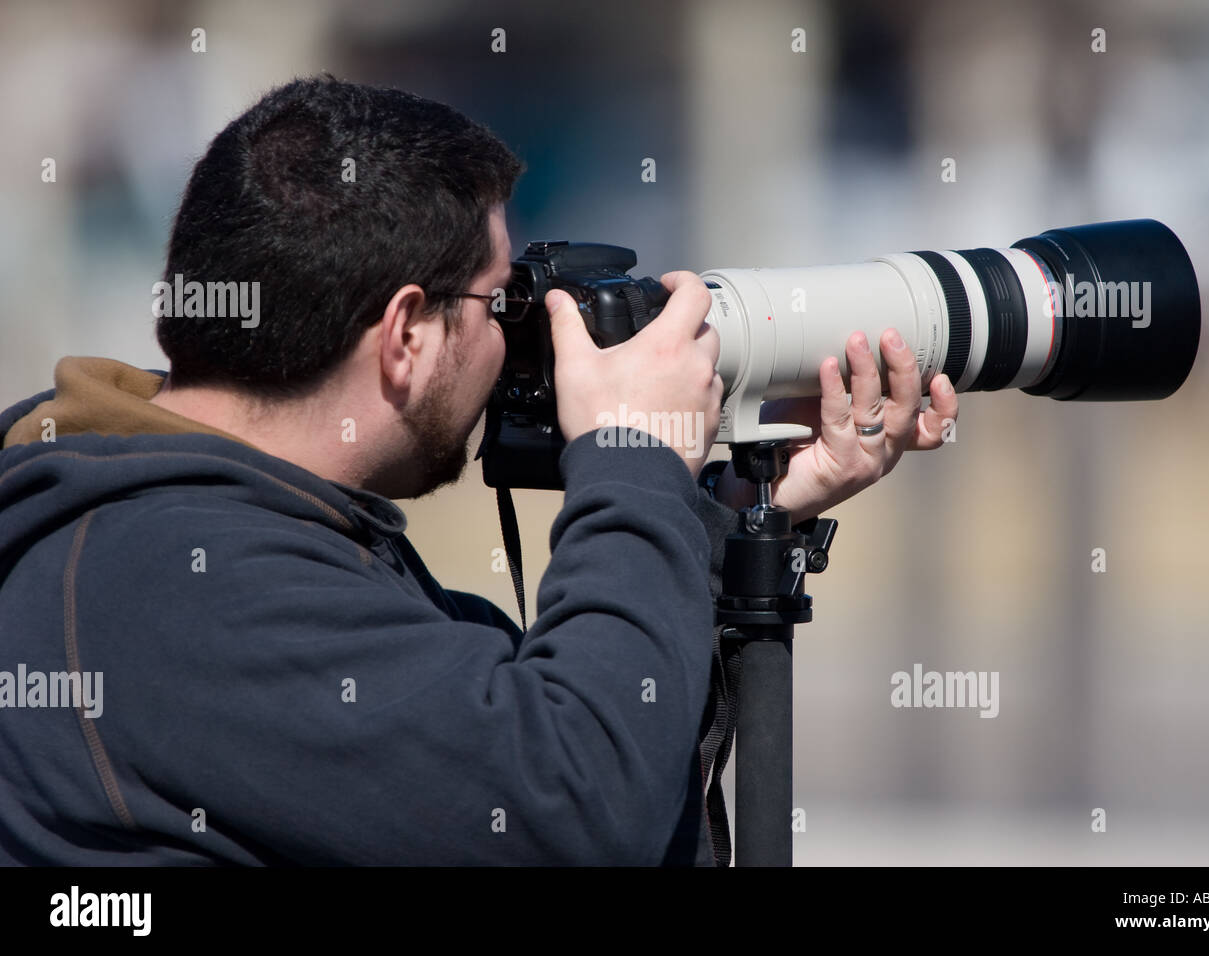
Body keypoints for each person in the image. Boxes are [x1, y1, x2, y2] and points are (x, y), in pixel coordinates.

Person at [0, 76, 958, 865]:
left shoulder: (197, 524)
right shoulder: (179, 579)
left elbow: (539, 735)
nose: (524, 343)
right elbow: (575, 804)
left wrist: (726, 515)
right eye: (501, 305)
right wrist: (627, 456)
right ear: (407, 335)